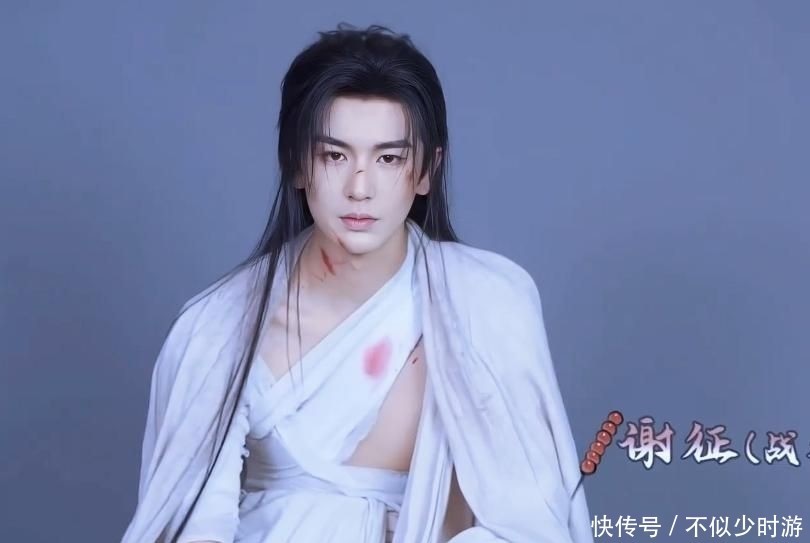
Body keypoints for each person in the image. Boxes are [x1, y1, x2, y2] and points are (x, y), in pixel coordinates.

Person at [122, 23, 594, 543]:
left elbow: (527, 522)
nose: (360, 188)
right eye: (335, 155)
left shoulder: (487, 304)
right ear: (296, 162)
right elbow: (193, 525)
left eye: (389, 158)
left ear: (426, 170)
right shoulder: (216, 327)